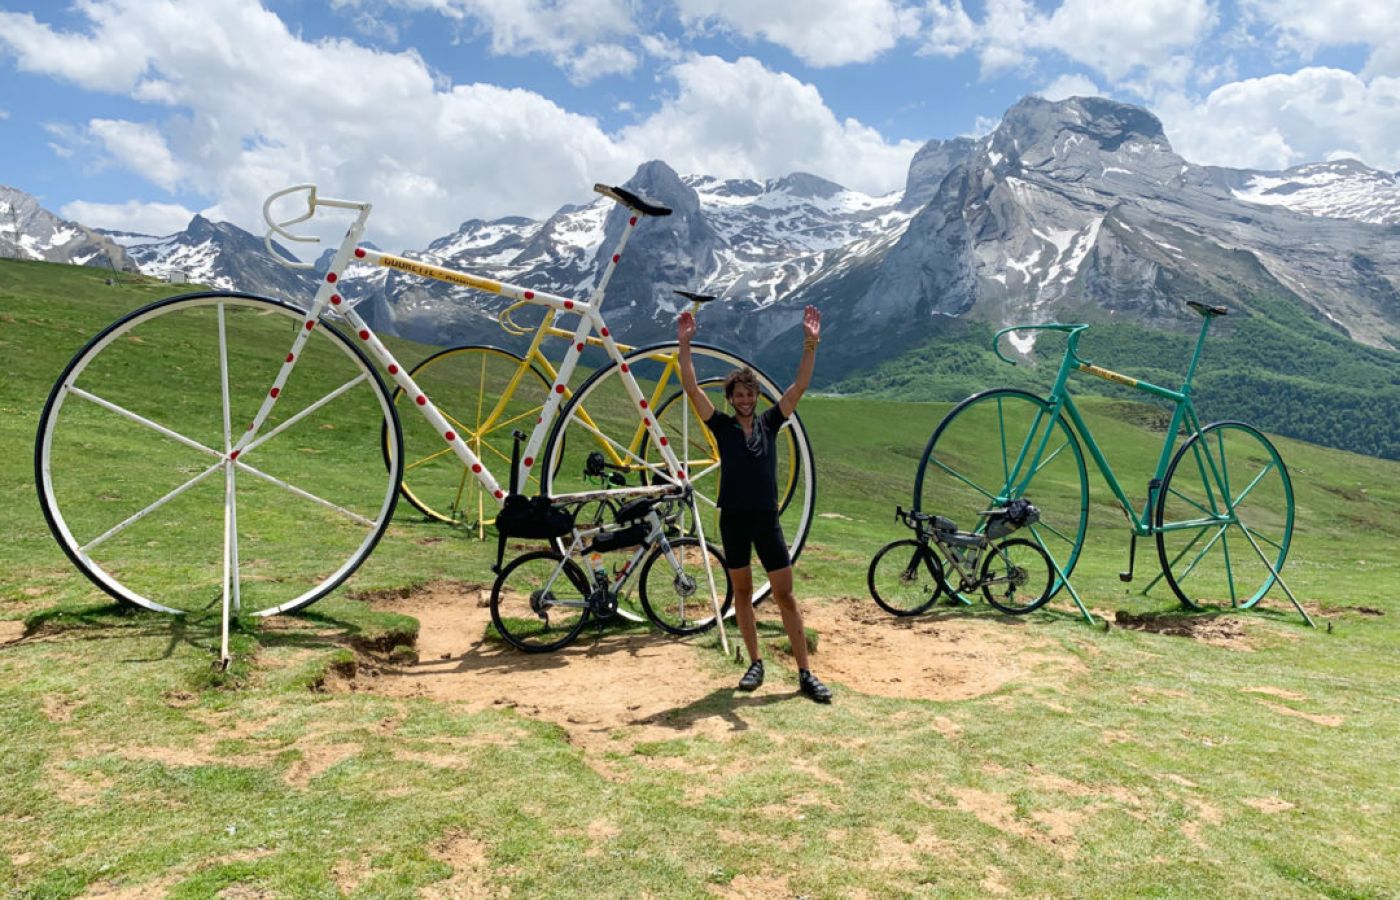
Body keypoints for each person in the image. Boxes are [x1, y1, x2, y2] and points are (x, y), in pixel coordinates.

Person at [676, 305, 831, 703]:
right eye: (738, 394)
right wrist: (685, 344)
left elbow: (799, 387)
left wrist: (810, 343)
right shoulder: (722, 426)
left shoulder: (770, 422)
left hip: (766, 519)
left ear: (757, 396)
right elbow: (692, 389)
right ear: (730, 398)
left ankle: (805, 673)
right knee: (742, 592)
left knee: (785, 595)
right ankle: (754, 663)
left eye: (749, 394)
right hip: (733, 520)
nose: (744, 399)